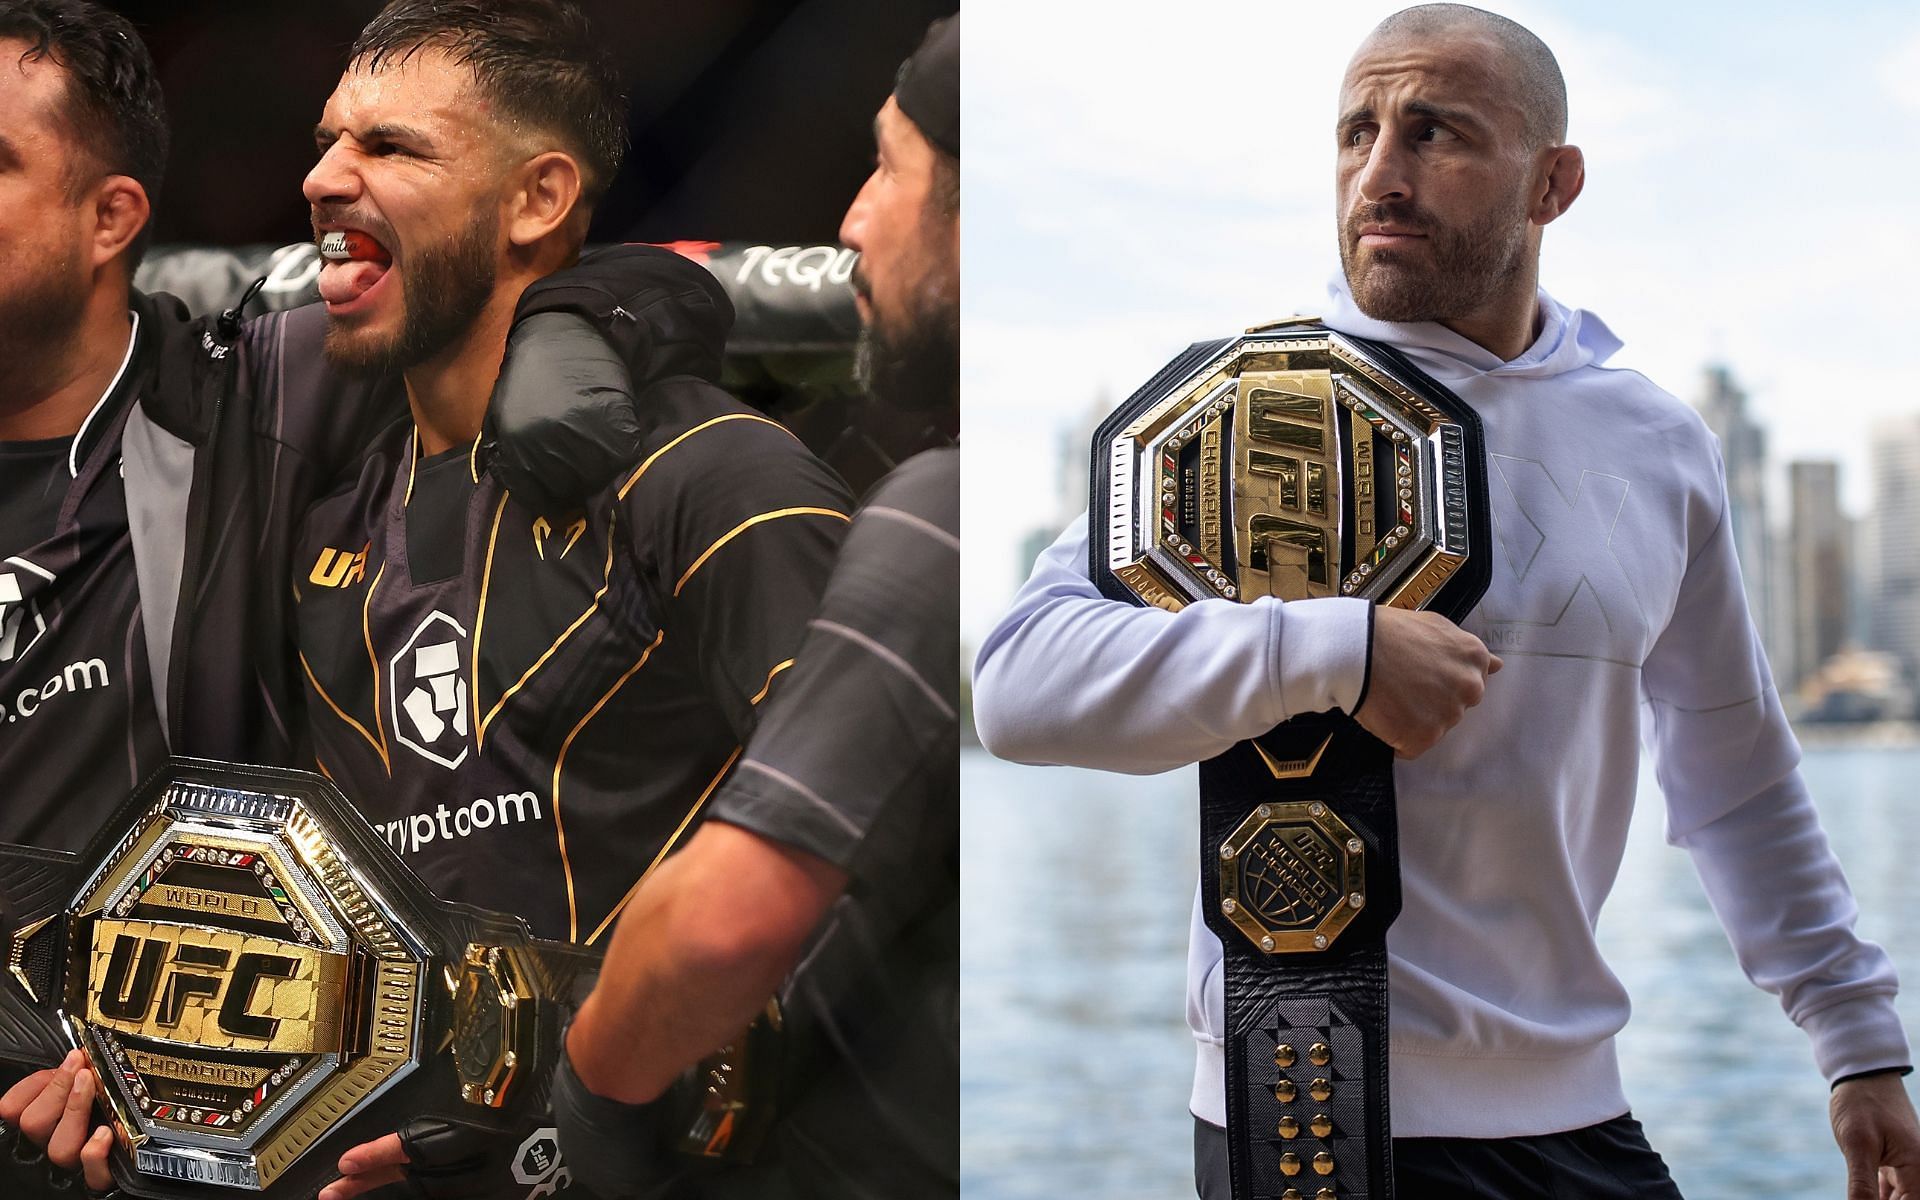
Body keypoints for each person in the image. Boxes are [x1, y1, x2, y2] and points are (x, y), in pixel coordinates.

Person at [972, 6, 1920, 1199]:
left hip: (1582, 1108)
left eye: (1433, 134)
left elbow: (1737, 772)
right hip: (1310, 1121)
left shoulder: (1658, 442)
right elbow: (1017, 684)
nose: (1380, 174)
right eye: (1356, 132)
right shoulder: (1242, 412)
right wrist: (1335, 648)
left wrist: (1856, 1039)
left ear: (1553, 184)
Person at [0, 1, 706, 1194]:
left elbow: (533, 267)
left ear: (110, 218)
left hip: (185, 1115)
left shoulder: (241, 409)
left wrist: (584, 330)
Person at [276, 4, 853, 1198]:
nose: (323, 177)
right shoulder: (324, 525)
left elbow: (885, 849)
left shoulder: (715, 480)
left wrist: (592, 1104)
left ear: (536, 200)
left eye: (391, 148)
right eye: (331, 140)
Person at [549, 14, 958, 1200]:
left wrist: (588, 1107)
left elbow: (728, 925)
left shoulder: (942, 517)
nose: (852, 221)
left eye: (889, 166)